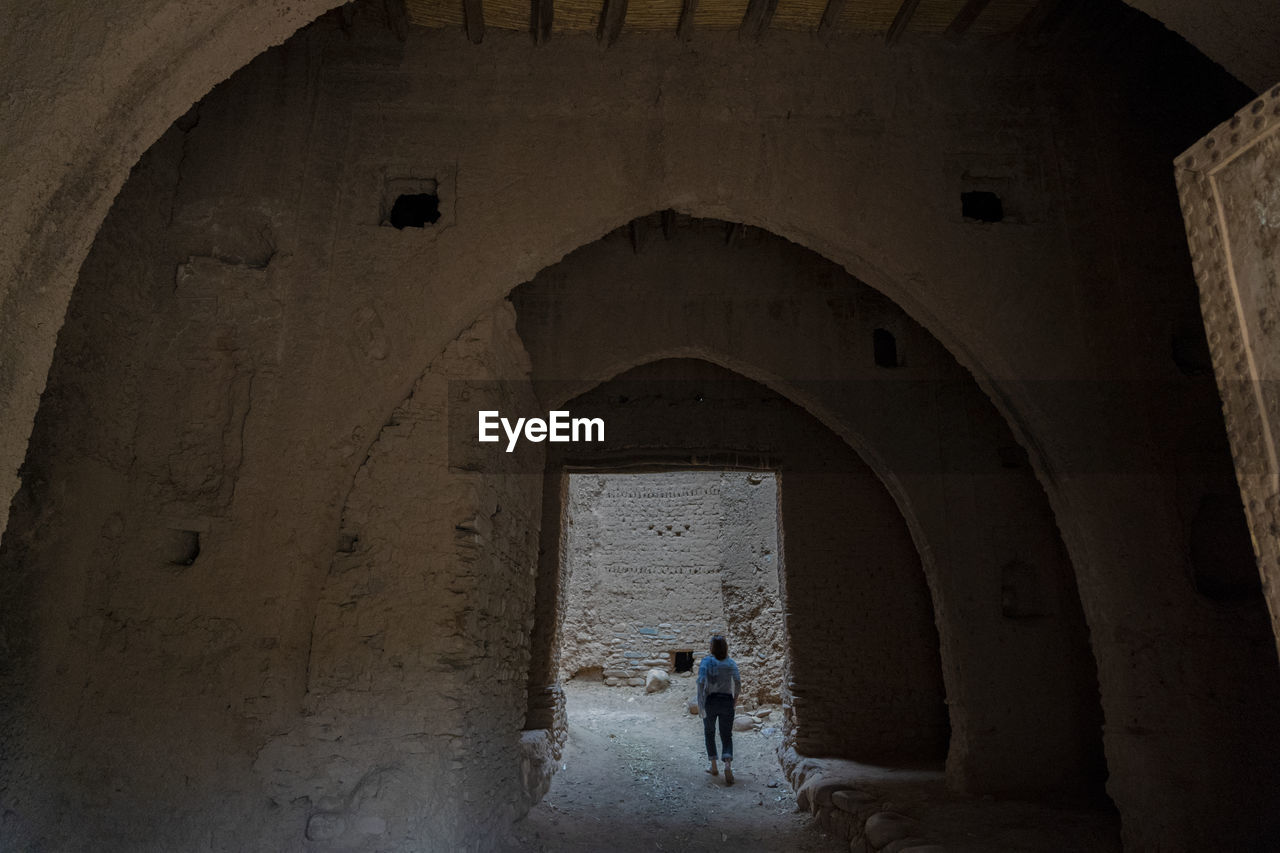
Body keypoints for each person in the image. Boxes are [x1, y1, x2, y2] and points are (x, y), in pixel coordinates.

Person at [696, 634, 741, 785]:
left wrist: (701, 703)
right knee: (726, 733)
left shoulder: (706, 662)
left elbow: (701, 682)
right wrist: (734, 699)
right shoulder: (730, 663)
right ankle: (727, 764)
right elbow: (738, 681)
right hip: (726, 700)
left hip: (711, 700)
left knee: (709, 732)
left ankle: (713, 765)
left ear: (712, 647)